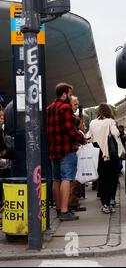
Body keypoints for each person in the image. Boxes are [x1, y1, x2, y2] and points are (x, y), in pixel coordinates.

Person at [47, 83, 86, 221]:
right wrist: (82, 139)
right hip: (66, 149)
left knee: (56, 179)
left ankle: (58, 209)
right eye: (70, 94)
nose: (70, 97)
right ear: (64, 94)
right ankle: (64, 211)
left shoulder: (49, 109)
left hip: (53, 149)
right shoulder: (66, 108)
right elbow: (70, 130)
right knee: (66, 179)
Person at [87, 104, 121, 214]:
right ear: (108, 111)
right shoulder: (110, 121)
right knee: (112, 178)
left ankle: (104, 203)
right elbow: (116, 133)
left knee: (102, 179)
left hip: (98, 154)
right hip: (110, 154)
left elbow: (88, 137)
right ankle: (111, 199)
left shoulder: (92, 122)